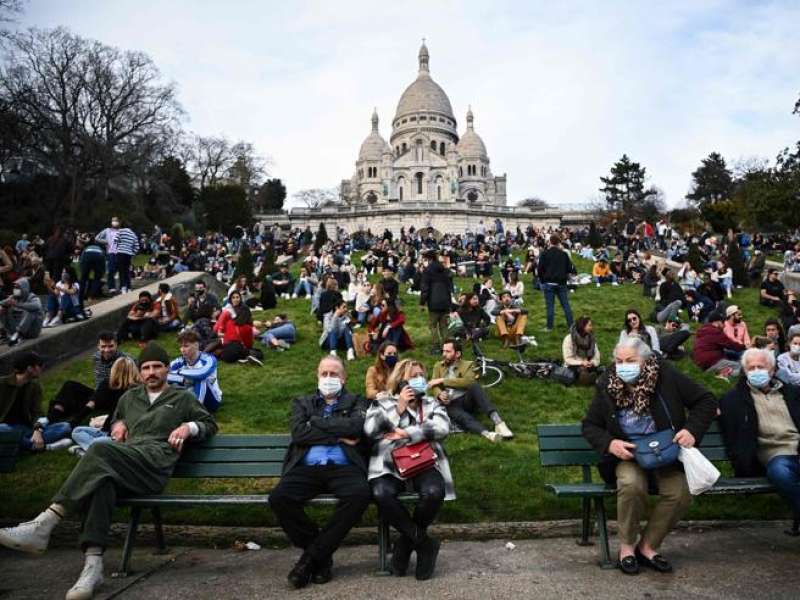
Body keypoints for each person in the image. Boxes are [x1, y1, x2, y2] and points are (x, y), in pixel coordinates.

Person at [0, 343, 216, 600]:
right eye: (146, 368)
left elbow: (209, 424)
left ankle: (46, 522)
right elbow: (117, 420)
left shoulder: (182, 398)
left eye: (157, 366)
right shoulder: (129, 398)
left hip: (154, 467)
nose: (151, 372)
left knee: (100, 451)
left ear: (167, 369)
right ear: (139, 372)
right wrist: (119, 425)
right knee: (102, 485)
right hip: (127, 462)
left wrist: (188, 428)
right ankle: (92, 566)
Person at [582, 338, 717, 575]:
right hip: (629, 455)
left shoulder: (666, 376)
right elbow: (590, 425)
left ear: (645, 361)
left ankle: (647, 546)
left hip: (665, 452)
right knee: (631, 485)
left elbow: (705, 400)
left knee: (679, 493)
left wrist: (692, 431)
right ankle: (626, 548)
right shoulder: (607, 384)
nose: (624, 366)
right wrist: (610, 443)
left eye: (631, 361)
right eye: (619, 361)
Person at [268, 356, 371, 589]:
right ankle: (321, 556)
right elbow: (299, 434)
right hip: (307, 467)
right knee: (279, 498)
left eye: (334, 374)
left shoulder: (357, 401)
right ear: (317, 377)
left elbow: (355, 428)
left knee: (360, 495)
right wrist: (337, 435)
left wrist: (315, 422)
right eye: (324, 374)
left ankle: (311, 559)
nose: (328, 378)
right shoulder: (302, 402)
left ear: (343, 379)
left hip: (344, 467)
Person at [364, 358, 452, 580]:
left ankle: (405, 544)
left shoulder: (432, 404)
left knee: (434, 492)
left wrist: (406, 433)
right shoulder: (383, 402)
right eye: (413, 376)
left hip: (422, 462)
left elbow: (442, 427)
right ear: (400, 381)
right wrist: (398, 409)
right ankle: (424, 544)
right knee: (381, 493)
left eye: (421, 375)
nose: (419, 380)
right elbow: (370, 430)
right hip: (388, 464)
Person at [719, 348, 800, 525]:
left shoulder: (792, 393)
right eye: (751, 368)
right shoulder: (734, 400)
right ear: (745, 372)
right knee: (781, 472)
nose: (756, 371)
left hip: (797, 447)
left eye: (760, 367)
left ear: (771, 370)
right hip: (774, 453)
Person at [429, 339, 512, 440]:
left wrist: (443, 380)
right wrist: (439, 394)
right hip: (450, 403)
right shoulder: (438, 366)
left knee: (474, 386)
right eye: (443, 351)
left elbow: (468, 381)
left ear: (458, 353)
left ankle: (499, 423)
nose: (444, 354)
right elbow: (433, 384)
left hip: (466, 399)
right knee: (462, 417)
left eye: (448, 351)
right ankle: (488, 434)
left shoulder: (469, 364)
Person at [47, 332, 130, 427]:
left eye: (110, 346)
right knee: (70, 385)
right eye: (103, 346)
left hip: (114, 396)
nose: (107, 350)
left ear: (116, 345)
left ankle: (76, 420)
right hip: (98, 393)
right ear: (98, 346)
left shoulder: (125, 360)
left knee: (106, 383)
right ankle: (53, 416)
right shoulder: (96, 357)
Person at [0, 352, 72, 451]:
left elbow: (37, 413)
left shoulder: (35, 387)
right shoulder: (2, 383)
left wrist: (37, 431)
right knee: (2, 428)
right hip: (4, 428)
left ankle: (23, 444)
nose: (41, 369)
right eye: (39, 365)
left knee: (65, 427)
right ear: (29, 368)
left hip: (26, 429)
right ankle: (40, 447)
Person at [70, 356, 141, 455]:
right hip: (105, 430)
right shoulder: (109, 385)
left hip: (118, 435)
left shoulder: (136, 391)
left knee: (97, 442)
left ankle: (87, 452)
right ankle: (93, 451)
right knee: (77, 431)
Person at [168, 330, 223, 413]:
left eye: (186, 346)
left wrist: (180, 372)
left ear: (196, 345)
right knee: (171, 382)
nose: (182, 350)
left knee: (200, 379)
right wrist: (182, 379)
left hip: (211, 400)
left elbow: (202, 373)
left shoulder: (209, 359)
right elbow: (164, 375)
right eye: (181, 346)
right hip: (189, 393)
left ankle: (196, 412)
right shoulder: (179, 361)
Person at [692, 311, 746, 379]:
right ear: (717, 322)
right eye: (723, 322)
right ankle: (723, 374)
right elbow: (731, 345)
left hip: (701, 361)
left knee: (729, 353)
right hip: (711, 362)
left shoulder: (703, 329)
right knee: (740, 367)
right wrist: (744, 347)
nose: (724, 325)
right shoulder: (715, 332)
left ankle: (724, 369)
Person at [537, 234, 575, 331]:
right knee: (566, 305)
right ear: (559, 242)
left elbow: (540, 269)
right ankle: (571, 326)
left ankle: (549, 327)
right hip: (561, 283)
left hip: (549, 283)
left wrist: (542, 281)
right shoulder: (564, 254)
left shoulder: (545, 254)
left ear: (550, 241)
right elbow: (569, 269)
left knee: (550, 306)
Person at [420, 251, 453, 355]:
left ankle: (435, 347)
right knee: (444, 326)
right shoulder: (444, 270)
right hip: (446, 301)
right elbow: (450, 287)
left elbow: (425, 288)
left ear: (428, 259)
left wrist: (422, 303)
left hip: (433, 302)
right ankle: (447, 348)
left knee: (433, 326)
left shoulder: (428, 271)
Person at [212, 290, 258, 364]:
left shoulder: (244, 309)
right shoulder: (228, 310)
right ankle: (245, 357)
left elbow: (241, 323)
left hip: (239, 337)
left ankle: (245, 356)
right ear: (230, 299)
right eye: (233, 298)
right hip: (233, 338)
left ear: (240, 298)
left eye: (237, 297)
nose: (236, 299)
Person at [0, 278, 44, 346]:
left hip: (31, 331)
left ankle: (18, 334)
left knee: (32, 311)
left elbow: (37, 306)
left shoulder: (32, 297)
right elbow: (2, 303)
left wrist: (17, 304)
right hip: (15, 329)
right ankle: (6, 334)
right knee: (3, 309)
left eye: (17, 287)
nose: (15, 289)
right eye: (14, 287)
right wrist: (2, 306)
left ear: (24, 288)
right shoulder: (13, 297)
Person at [563, 316, 601, 385]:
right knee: (579, 370)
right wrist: (581, 362)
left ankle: (588, 378)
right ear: (582, 326)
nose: (591, 328)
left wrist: (592, 362)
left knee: (592, 368)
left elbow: (597, 356)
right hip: (574, 364)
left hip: (588, 363)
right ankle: (586, 378)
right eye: (589, 325)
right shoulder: (569, 339)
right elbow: (567, 359)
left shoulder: (591, 338)